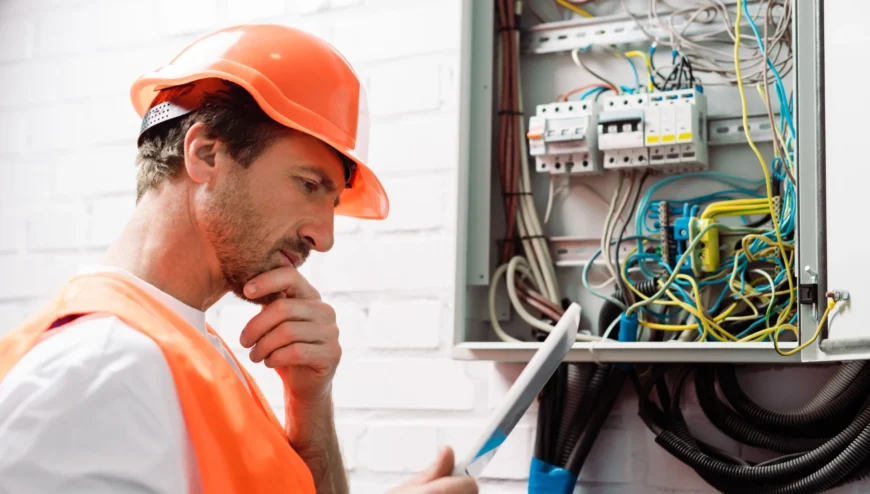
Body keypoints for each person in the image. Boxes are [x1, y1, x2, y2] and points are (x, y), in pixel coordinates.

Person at [0, 24, 478, 494]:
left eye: (330, 204)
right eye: (308, 185)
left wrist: (311, 409)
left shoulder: (189, 350)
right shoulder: (98, 373)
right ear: (206, 154)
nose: (324, 236)